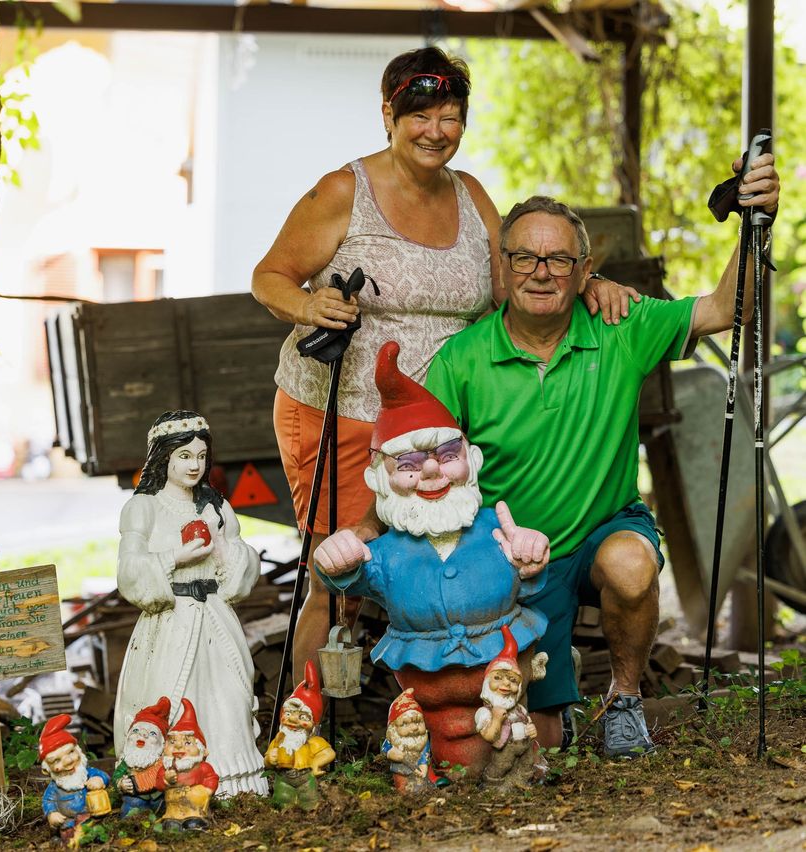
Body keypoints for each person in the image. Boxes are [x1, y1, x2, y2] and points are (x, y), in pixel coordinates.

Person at [252, 45, 635, 683]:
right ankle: (307, 714)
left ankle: (434, 700)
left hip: (438, 426)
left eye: (450, 117)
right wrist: (309, 304)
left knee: (437, 563)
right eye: (420, 116)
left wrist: (587, 282)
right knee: (339, 570)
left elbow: (518, 278)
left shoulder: (470, 194)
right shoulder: (345, 191)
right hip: (343, 411)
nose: (436, 131)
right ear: (388, 115)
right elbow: (269, 277)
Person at [421, 154, 780, 757]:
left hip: (602, 531)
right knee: (539, 742)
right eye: (525, 258)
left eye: (559, 259)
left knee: (632, 566)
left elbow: (728, 309)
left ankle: (625, 701)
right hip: (511, 558)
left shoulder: (622, 326)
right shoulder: (461, 359)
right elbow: (430, 474)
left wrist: (754, 225)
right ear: (503, 267)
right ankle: (553, 701)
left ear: (584, 270)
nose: (541, 273)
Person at [314, 341, 549, 776]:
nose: (431, 472)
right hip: (429, 697)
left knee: (511, 742)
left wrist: (530, 559)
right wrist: (333, 559)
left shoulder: (495, 531)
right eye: (409, 464)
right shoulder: (386, 552)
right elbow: (345, 577)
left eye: (447, 456)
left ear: (471, 460)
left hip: (501, 685)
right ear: (380, 479)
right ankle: (441, 772)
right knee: (444, 752)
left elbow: (529, 578)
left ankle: (508, 771)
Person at [113, 410, 268, 796]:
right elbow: (128, 571)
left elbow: (245, 567)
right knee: (170, 696)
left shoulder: (216, 507)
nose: (194, 465)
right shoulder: (144, 508)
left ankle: (231, 782)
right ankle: (165, 783)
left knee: (228, 697)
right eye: (184, 456)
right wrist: (175, 558)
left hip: (215, 618)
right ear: (163, 457)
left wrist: (223, 549)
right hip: (170, 621)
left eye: (201, 456)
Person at [475, 625, 548, 789]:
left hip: (524, 745)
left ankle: (521, 782)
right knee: (501, 766)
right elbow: (489, 737)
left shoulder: (519, 709)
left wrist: (532, 730)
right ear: (487, 682)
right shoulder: (485, 712)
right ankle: (492, 786)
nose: (506, 684)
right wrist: (496, 719)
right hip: (505, 748)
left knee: (527, 764)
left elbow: (528, 722)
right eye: (498, 678)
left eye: (513, 680)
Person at [264, 660, 336, 810]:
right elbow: (267, 760)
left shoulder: (312, 742)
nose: (293, 720)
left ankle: (311, 814)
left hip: (305, 778)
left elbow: (329, 753)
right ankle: (283, 815)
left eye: (302, 717)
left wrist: (316, 763)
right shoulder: (279, 740)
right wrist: (270, 759)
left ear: (312, 724)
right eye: (288, 713)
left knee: (309, 799)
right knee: (282, 799)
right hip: (283, 778)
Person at [40, 714, 110, 841]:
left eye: (71, 752)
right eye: (57, 760)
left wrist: (99, 779)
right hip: (68, 822)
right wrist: (51, 813)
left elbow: (103, 775)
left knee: (96, 830)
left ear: (79, 751)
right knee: (68, 835)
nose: (68, 761)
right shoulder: (54, 788)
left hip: (91, 817)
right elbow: (48, 801)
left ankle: (96, 838)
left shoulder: (86, 773)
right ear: (47, 769)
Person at [156, 698, 219, 831]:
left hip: (195, 808)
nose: (178, 746)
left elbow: (212, 778)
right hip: (173, 808)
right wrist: (166, 780)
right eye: (172, 742)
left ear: (202, 750)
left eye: (188, 743)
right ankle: (172, 822)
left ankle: (194, 822)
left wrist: (206, 791)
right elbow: (159, 783)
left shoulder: (203, 767)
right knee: (170, 825)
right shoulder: (166, 769)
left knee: (193, 823)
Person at [113, 696, 172, 817]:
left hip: (159, 798)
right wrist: (120, 783)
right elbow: (116, 775)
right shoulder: (126, 762)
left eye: (152, 733)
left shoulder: (162, 762)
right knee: (130, 810)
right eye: (136, 731)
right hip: (134, 798)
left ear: (162, 743)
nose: (142, 735)